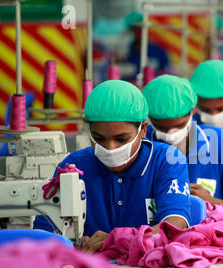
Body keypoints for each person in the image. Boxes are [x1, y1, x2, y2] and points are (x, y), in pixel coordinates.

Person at [34, 80, 191, 252]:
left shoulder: (167, 160)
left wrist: (119, 240)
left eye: (121, 139)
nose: (110, 148)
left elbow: (175, 226)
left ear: (143, 129)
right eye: (99, 138)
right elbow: (44, 236)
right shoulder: (74, 166)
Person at [143, 74, 223, 205]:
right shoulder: (142, 146)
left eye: (180, 125)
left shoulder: (222, 142)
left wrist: (210, 202)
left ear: (193, 110)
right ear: (148, 120)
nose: (171, 134)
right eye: (161, 128)